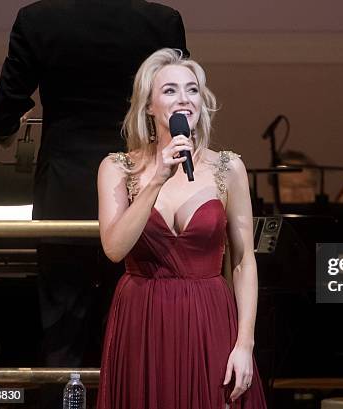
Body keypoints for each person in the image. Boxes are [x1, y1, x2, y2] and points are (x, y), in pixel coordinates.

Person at [0, 0, 189, 375]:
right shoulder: (161, 20)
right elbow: (176, 102)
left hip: (64, 187)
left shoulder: (38, 19)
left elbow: (5, 108)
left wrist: (2, 128)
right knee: (135, 317)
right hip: (136, 183)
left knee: (62, 329)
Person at [96, 49, 266, 408]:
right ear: (148, 106)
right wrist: (156, 179)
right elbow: (114, 248)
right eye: (170, 90)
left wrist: (244, 344)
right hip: (143, 316)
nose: (184, 99)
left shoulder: (228, 167)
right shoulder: (118, 167)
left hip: (210, 317)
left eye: (192, 90)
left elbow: (243, 261)